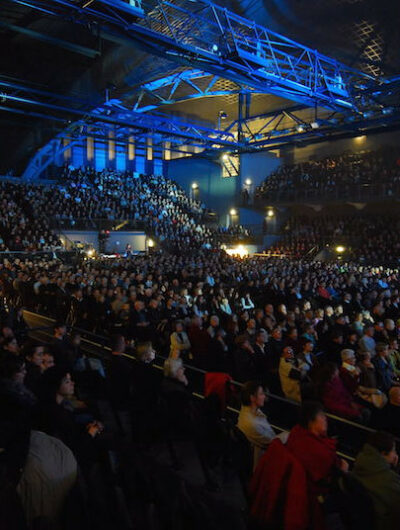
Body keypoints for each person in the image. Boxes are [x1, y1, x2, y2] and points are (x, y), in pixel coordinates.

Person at [286, 401, 348, 528]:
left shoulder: (296, 433)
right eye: (322, 416)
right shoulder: (316, 451)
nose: (326, 419)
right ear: (311, 422)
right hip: (316, 499)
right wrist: (343, 469)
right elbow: (329, 478)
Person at [352, 431, 400, 530]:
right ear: (383, 454)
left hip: (362, 519)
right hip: (383, 523)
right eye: (394, 451)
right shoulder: (387, 479)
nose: (395, 454)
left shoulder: (361, 464)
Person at [237, 381, 275, 468]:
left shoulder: (251, 410)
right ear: (252, 398)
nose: (264, 396)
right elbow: (272, 443)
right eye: (261, 394)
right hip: (264, 463)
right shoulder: (251, 423)